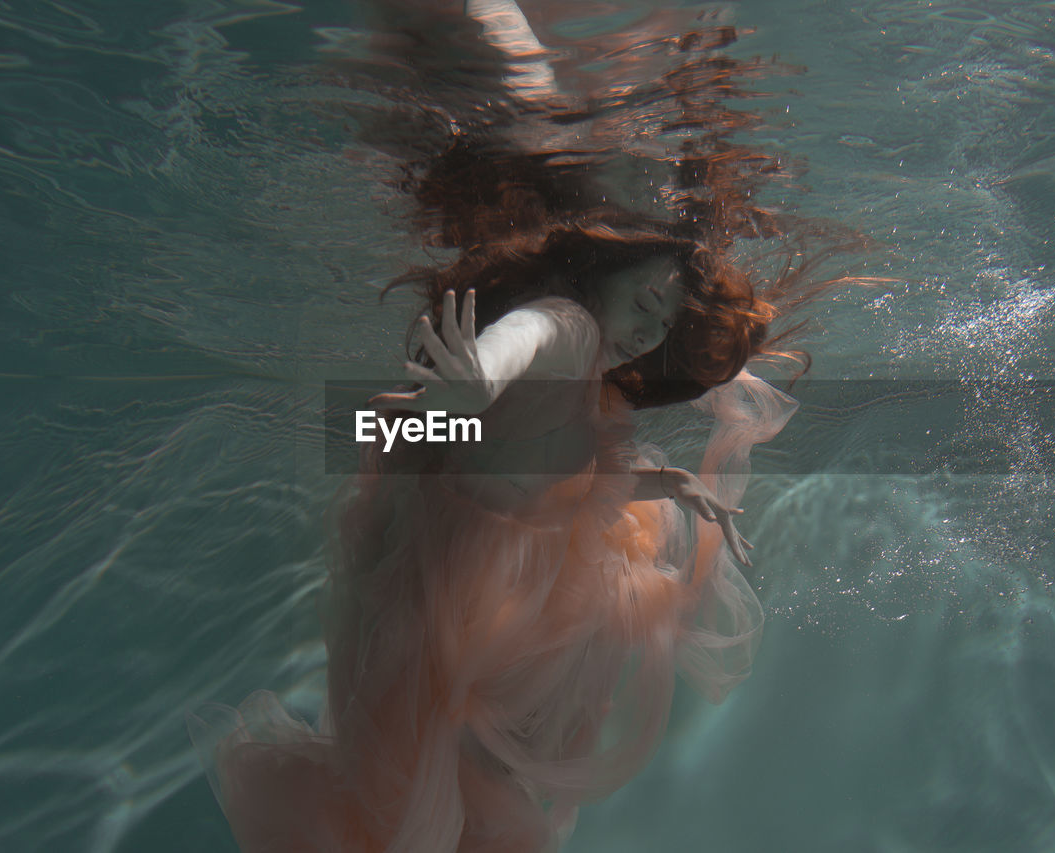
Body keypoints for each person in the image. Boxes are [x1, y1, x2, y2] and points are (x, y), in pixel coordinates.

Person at [188, 3, 815, 851]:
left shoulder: (593, 364)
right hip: (465, 563)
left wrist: (677, 489)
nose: (650, 329)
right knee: (437, 778)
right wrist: (477, 375)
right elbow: (527, 340)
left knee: (445, 779)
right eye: (645, 299)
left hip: (487, 542)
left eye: (667, 318)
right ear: (603, 268)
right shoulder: (571, 323)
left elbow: (567, 452)